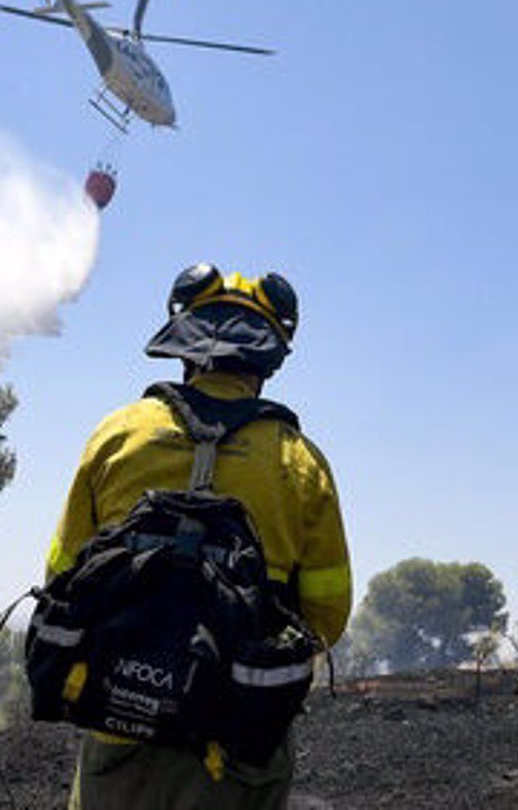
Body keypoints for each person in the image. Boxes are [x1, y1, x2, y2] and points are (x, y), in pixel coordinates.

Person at [46, 264, 352, 810]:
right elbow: (326, 618)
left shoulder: (118, 435)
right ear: (266, 361)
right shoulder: (300, 462)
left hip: (120, 729)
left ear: (183, 348)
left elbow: (62, 575)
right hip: (236, 746)